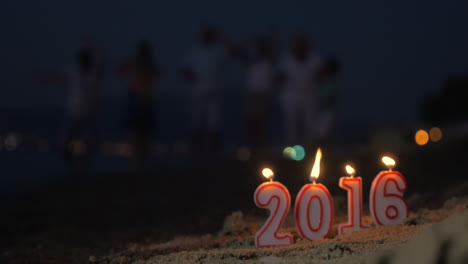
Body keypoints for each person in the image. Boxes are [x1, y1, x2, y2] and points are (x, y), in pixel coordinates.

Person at [40, 37, 106, 171]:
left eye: (85, 62)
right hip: (73, 112)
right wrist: (44, 76)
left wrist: (92, 44)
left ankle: (83, 166)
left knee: (88, 142)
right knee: (65, 141)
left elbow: (102, 58)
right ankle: (69, 165)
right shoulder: (73, 71)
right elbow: (58, 76)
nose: (82, 65)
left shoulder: (94, 73)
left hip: (89, 114)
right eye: (81, 62)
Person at [180, 25, 233, 155]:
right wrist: (191, 76)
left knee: (213, 124)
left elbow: (231, 51)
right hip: (197, 92)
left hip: (213, 93)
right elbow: (183, 69)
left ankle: (213, 154)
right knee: (196, 123)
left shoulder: (216, 52)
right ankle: (195, 153)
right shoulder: (194, 52)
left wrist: (221, 37)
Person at [117, 41, 160, 169]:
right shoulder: (139, 64)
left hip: (144, 100)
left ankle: (140, 162)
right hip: (139, 100)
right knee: (137, 132)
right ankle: (137, 162)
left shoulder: (147, 66)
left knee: (142, 133)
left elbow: (157, 73)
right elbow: (120, 70)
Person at [235, 35, 277, 155]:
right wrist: (248, 41)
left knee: (262, 122)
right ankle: (253, 147)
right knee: (251, 122)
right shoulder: (252, 62)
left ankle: (264, 148)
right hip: (251, 95)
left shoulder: (268, 61)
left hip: (263, 95)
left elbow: (274, 47)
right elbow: (237, 52)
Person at [278, 33, 321, 145]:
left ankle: (309, 150)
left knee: (310, 126)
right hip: (291, 99)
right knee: (291, 127)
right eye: (297, 44)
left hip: (309, 98)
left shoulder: (315, 60)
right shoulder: (287, 62)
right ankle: (292, 153)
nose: (300, 46)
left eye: (302, 43)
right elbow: (279, 79)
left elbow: (322, 77)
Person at [316, 57, 340, 142]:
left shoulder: (330, 84)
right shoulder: (324, 83)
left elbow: (331, 100)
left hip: (327, 113)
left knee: (322, 136)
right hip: (323, 113)